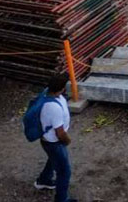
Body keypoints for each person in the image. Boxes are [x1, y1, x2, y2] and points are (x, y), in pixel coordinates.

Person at [34, 73, 76, 202]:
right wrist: (67, 141)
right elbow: (60, 133)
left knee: (53, 159)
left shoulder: (48, 93)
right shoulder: (53, 107)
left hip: (49, 141)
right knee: (64, 172)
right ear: (62, 88)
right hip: (55, 142)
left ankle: (44, 180)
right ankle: (61, 199)